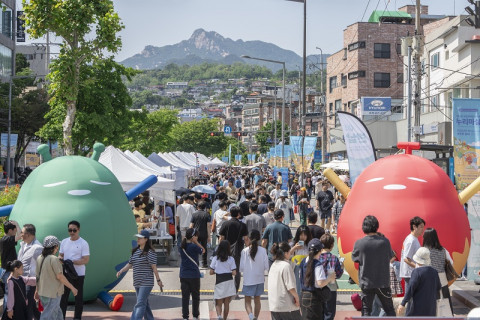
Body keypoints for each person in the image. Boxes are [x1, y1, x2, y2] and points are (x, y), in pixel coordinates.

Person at [351, 215, 395, 316]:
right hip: (383, 281)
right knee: (389, 309)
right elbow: (390, 257)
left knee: (366, 310)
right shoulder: (385, 242)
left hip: (366, 282)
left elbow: (355, 259)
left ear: (364, 227)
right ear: (376, 226)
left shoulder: (359, 243)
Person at [116, 230, 163, 320]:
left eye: (140, 238)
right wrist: (121, 270)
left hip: (146, 282)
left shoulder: (150, 252)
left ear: (146, 239)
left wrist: (158, 280)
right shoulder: (135, 251)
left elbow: (154, 268)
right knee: (144, 303)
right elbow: (130, 263)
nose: (138, 239)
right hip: (137, 282)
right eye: (137, 237)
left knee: (140, 303)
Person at [36, 236, 78, 320]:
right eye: (57, 246)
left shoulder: (39, 257)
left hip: (43, 292)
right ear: (54, 246)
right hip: (53, 293)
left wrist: (36, 290)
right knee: (48, 316)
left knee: (57, 313)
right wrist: (72, 288)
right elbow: (60, 276)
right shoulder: (54, 259)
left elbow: (37, 276)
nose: (57, 248)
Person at [59, 220, 90, 320]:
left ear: (78, 230)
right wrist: (62, 261)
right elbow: (61, 255)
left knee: (78, 297)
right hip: (66, 273)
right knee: (63, 297)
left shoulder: (83, 243)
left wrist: (71, 262)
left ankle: (77, 318)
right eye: (70, 230)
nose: (72, 232)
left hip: (79, 274)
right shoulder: (64, 241)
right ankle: (61, 317)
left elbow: (86, 259)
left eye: (74, 230)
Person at [397, 247, 441, 316]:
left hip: (417, 308)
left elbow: (410, 288)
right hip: (430, 308)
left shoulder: (417, 272)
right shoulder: (434, 271)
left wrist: (403, 303)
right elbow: (438, 287)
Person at [299, 238, 335, 320]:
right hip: (314, 297)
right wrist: (330, 278)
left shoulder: (303, 261)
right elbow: (320, 283)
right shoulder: (317, 264)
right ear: (320, 250)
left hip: (303, 295)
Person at [422, 227, 454, 315]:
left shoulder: (424, 251)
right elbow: (451, 262)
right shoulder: (443, 250)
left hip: (429, 279)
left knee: (431, 301)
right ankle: (448, 315)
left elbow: (419, 267)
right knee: (445, 300)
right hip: (442, 279)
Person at [267, 242, 301, 320]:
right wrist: (297, 298)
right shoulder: (286, 266)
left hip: (274, 305)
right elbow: (290, 287)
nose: (290, 254)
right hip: (286, 305)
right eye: (289, 252)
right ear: (285, 253)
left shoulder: (274, 265)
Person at [240, 230, 268, 320]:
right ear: (259, 238)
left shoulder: (244, 251)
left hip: (248, 279)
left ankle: (251, 316)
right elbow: (266, 266)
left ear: (249, 238)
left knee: (247, 300)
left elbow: (241, 268)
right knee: (257, 299)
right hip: (259, 279)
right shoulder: (263, 251)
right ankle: (256, 317)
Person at [218, 206, 248, 292]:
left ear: (230, 213)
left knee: (226, 269)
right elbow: (246, 239)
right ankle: (235, 291)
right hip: (238, 249)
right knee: (237, 270)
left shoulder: (225, 224)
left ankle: (227, 290)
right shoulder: (243, 225)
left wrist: (220, 249)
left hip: (226, 250)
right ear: (239, 214)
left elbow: (221, 238)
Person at [399, 216, 425, 313]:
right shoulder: (411, 240)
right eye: (421, 227)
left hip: (411, 273)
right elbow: (406, 259)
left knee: (412, 299)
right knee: (410, 300)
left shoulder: (413, 239)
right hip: (410, 274)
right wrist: (418, 267)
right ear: (414, 227)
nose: (423, 229)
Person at [17, 224, 43, 320]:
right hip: (21, 280)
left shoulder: (37, 248)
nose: (20, 235)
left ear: (28, 234)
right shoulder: (23, 245)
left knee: (27, 307)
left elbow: (41, 268)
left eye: (22, 233)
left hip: (31, 283)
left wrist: (38, 287)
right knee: (31, 306)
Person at [179, 228, 204, 320]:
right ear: (194, 237)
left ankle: (185, 316)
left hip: (183, 274)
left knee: (185, 297)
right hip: (194, 275)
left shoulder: (181, 246)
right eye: (196, 236)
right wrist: (196, 242)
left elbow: (183, 243)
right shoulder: (194, 247)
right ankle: (195, 315)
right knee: (195, 296)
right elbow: (203, 250)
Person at [210, 240, 237, 320]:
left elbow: (211, 272)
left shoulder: (215, 258)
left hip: (219, 281)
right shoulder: (231, 259)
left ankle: (219, 316)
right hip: (229, 281)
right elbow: (234, 273)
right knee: (226, 303)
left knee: (218, 302)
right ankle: (225, 318)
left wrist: (217, 270)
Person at [319, 234, 344, 320]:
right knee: (329, 312)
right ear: (332, 245)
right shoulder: (334, 258)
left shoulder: (317, 257)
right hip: (331, 287)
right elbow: (338, 274)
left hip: (318, 287)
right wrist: (342, 267)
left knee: (319, 311)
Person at [0, 220, 22, 306]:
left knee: (9, 293)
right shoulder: (6, 240)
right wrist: (17, 224)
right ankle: (6, 314)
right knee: (8, 294)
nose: (16, 232)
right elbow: (21, 235)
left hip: (8, 270)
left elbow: (19, 236)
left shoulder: (6, 240)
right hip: (7, 271)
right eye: (15, 230)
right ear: (10, 231)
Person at [289, 225, 312, 297]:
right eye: (301, 235)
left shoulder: (309, 245)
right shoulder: (292, 244)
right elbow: (287, 256)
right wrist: (294, 248)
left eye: (305, 235)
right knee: (296, 286)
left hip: (306, 268)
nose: (303, 237)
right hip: (295, 268)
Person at [189, 201, 211, 268]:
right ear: (204, 207)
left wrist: (190, 234)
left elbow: (191, 225)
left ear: (198, 207)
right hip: (204, 234)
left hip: (196, 234)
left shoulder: (194, 214)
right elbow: (208, 226)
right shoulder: (207, 214)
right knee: (204, 248)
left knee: (195, 248)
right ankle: (204, 263)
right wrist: (209, 236)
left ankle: (196, 262)